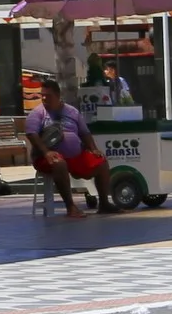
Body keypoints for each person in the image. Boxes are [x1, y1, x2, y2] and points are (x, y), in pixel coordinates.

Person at [26, 78, 115, 218]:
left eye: (48, 95)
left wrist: (93, 148)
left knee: (101, 162)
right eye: (42, 95)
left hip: (75, 156)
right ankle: (71, 207)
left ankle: (104, 203)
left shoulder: (72, 111)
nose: (44, 98)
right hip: (46, 156)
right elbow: (31, 134)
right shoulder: (37, 113)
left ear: (57, 95)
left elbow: (84, 133)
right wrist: (46, 152)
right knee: (59, 164)